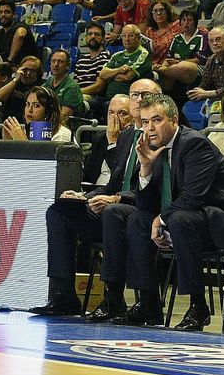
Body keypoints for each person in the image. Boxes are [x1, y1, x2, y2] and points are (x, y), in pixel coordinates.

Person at [122, 92, 224, 331]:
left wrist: (160, 219)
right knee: (138, 219)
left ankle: (198, 307)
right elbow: (145, 205)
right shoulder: (151, 147)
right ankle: (148, 302)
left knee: (179, 219)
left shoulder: (195, 144)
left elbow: (193, 197)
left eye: (157, 120)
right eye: (146, 122)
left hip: (220, 220)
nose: (150, 129)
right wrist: (146, 168)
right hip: (188, 217)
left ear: (174, 120)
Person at [29, 85, 152, 318]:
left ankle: (113, 299)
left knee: (112, 212)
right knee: (59, 211)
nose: (116, 119)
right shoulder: (126, 138)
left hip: (138, 211)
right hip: (112, 207)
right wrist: (83, 197)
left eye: (122, 113)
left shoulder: (156, 136)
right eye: (111, 114)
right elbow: (110, 183)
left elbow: (147, 188)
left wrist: (115, 198)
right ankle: (62, 295)